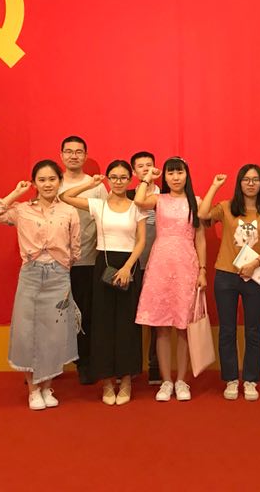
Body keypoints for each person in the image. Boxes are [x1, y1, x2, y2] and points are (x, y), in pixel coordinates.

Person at [0, 160, 81, 411]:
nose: (47, 184)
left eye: (52, 179)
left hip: (59, 276)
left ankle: (47, 386)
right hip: (30, 275)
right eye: (42, 180)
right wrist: (16, 193)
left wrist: (63, 265)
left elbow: (76, 246)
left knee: (54, 333)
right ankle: (33, 390)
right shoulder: (22, 210)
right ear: (34, 183)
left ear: (60, 181)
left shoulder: (69, 211)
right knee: (27, 332)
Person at [60, 160, 147, 406]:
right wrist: (90, 184)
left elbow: (141, 240)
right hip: (104, 265)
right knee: (103, 324)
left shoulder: (136, 207)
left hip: (129, 265)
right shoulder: (98, 205)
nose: (118, 182)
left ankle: (126, 380)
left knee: (127, 324)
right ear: (107, 179)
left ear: (130, 180)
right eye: (114, 177)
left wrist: (128, 267)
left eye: (123, 177)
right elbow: (65, 197)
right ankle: (108, 382)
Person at [198, 165, 260, 401]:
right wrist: (215, 186)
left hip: (254, 276)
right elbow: (202, 215)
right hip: (226, 275)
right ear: (239, 183)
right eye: (246, 179)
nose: (251, 184)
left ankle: (251, 379)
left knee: (254, 330)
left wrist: (255, 263)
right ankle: (231, 379)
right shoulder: (226, 207)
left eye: (255, 179)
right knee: (227, 330)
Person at [134, 157, 207, 402]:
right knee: (162, 327)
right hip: (160, 264)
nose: (175, 177)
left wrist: (202, 270)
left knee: (184, 327)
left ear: (187, 175)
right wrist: (147, 178)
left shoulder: (196, 202)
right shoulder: (159, 199)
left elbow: (200, 239)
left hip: (187, 265)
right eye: (171, 173)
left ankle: (182, 381)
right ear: (164, 176)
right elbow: (138, 200)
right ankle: (166, 381)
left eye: (180, 172)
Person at [58, 135, 108, 384]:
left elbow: (106, 218)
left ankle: (84, 362)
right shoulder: (53, 181)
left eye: (79, 152)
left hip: (87, 258)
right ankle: (51, 363)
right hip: (56, 260)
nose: (74, 156)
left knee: (85, 313)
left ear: (85, 156)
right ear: (61, 155)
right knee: (53, 313)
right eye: (69, 151)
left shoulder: (97, 185)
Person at [127, 151, 161, 385]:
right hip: (132, 264)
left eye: (150, 165)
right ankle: (130, 366)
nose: (146, 169)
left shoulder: (166, 195)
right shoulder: (127, 196)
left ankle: (155, 366)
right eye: (141, 166)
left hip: (158, 264)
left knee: (157, 319)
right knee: (130, 316)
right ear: (133, 172)